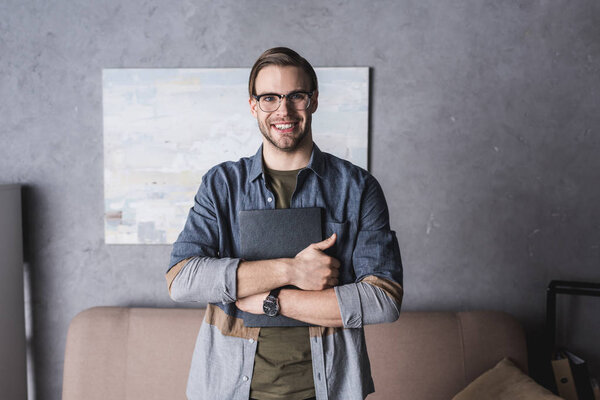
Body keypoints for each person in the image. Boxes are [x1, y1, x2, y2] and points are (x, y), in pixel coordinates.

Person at [166, 47, 403, 400]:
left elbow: (383, 299)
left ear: (314, 100)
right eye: (270, 98)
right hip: (229, 391)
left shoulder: (358, 187)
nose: (283, 110)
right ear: (253, 105)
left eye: (296, 96)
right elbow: (182, 280)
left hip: (329, 390)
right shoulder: (221, 185)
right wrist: (292, 271)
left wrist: (270, 301)